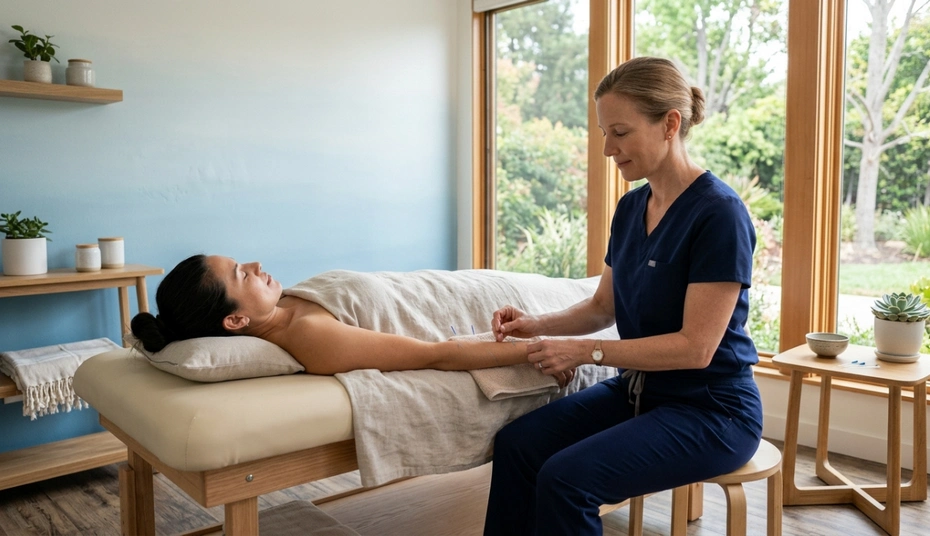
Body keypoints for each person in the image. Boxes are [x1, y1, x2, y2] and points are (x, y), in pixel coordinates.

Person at [482, 56, 763, 536]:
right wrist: (535, 324)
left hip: (713, 410)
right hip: (641, 392)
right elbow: (602, 307)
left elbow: (696, 349)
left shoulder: (719, 214)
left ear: (670, 124)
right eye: (603, 133)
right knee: (518, 445)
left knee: (567, 480)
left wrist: (585, 351)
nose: (608, 148)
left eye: (620, 132)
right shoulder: (632, 207)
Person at [129, 254, 575, 385]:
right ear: (235, 322)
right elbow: (434, 354)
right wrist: (534, 349)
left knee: (595, 292)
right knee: (593, 299)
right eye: (241, 274)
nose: (256, 263)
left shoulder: (290, 303)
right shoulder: (311, 337)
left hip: (468, 283)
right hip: (485, 303)